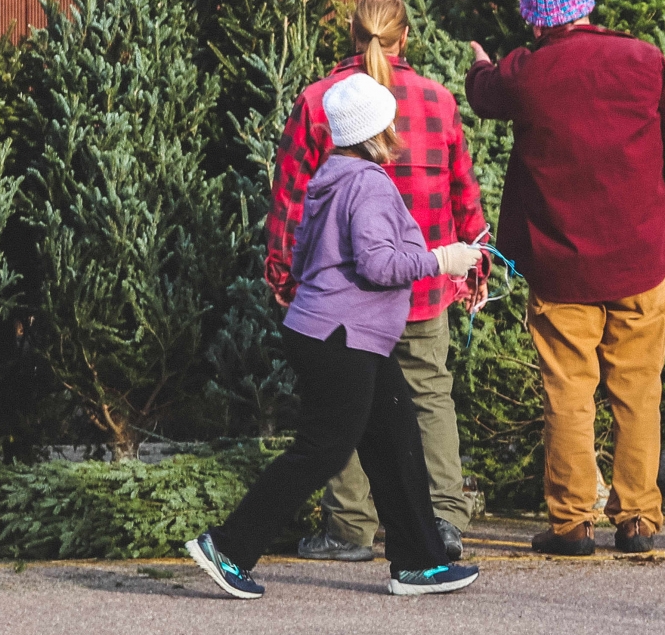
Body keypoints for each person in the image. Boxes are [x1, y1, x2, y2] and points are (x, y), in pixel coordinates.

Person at [186, 72, 484, 600]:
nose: (398, 131)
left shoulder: (331, 176)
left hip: (342, 334)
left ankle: (419, 562)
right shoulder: (368, 182)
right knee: (322, 450)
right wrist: (445, 258)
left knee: (395, 440)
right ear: (376, 133)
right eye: (392, 124)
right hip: (342, 337)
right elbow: (377, 264)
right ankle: (228, 548)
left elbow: (304, 253)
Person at [467, 0, 665, 557]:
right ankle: (637, 519)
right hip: (641, 263)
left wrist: (480, 64)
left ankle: (572, 522)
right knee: (638, 392)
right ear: (586, 7)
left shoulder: (526, 71)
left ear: (535, 22)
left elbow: (483, 97)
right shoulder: (644, 60)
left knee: (568, 393)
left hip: (560, 270)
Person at [264, 0, 489, 562]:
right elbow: (463, 189)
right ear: (405, 36)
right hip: (422, 283)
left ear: (350, 34)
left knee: (345, 406)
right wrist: (474, 260)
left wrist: (285, 274)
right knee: (430, 395)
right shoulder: (438, 100)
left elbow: (292, 198)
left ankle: (350, 528)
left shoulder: (320, 102)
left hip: (342, 295)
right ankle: (442, 521)